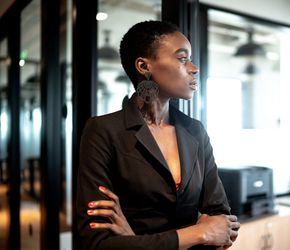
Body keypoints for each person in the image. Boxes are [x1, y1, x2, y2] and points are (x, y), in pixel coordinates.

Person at [76, 20, 240, 250]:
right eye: (183, 58)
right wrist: (197, 233)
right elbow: (97, 243)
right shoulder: (103, 131)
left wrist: (133, 241)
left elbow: (224, 224)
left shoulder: (195, 131)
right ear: (144, 66)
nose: (194, 68)